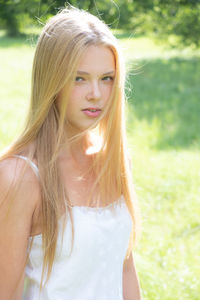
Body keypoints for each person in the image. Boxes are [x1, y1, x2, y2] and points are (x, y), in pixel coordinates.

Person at [0, 7, 141, 300]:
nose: (96, 94)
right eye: (79, 78)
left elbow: (124, 268)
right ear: (51, 81)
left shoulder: (112, 161)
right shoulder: (20, 176)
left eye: (107, 78)